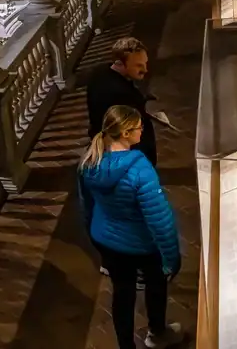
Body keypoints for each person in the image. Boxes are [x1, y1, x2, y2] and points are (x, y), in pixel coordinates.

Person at [78, 105, 183, 349]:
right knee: (156, 285)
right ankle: (157, 333)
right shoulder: (139, 169)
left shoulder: (89, 161)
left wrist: (95, 236)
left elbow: (87, 205)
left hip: (108, 241)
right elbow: (159, 218)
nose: (142, 131)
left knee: (122, 295)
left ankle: (126, 346)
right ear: (125, 133)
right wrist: (172, 257)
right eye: (139, 127)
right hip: (141, 244)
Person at [86, 37, 158, 166]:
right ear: (120, 63)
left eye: (145, 63)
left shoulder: (99, 72)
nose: (145, 70)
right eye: (138, 65)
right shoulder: (120, 94)